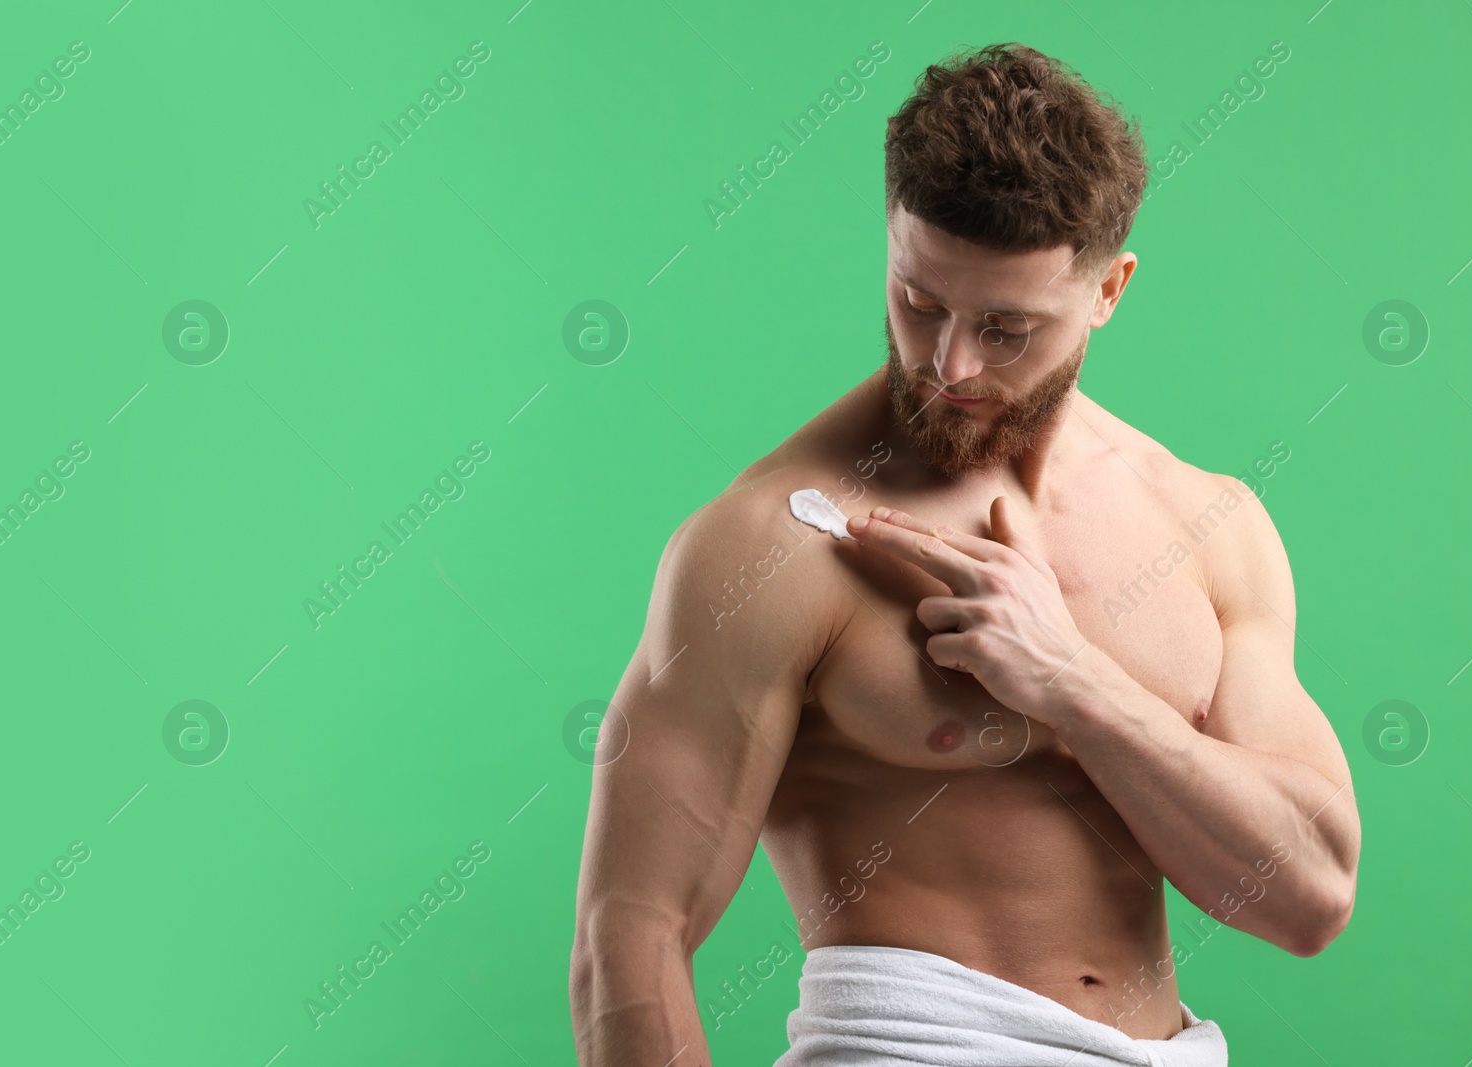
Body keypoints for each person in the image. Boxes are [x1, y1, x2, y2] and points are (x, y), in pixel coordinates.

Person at [570, 41, 1360, 1067]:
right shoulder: (771, 542)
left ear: (1109, 290)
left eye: (1003, 327)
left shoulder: (1205, 521)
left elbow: (1308, 896)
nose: (946, 364)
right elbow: (629, 934)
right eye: (919, 301)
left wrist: (1073, 682)